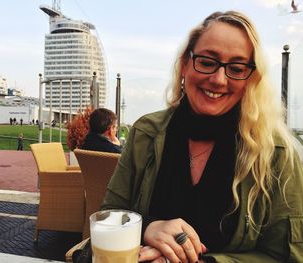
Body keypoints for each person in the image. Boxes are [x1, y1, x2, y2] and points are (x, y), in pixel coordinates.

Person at [101, 11, 303, 263]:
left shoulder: (277, 152)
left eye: (237, 68)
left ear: (250, 78)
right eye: (207, 62)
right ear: (185, 63)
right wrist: (148, 228)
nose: (219, 79)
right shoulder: (146, 132)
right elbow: (108, 216)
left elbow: (288, 256)